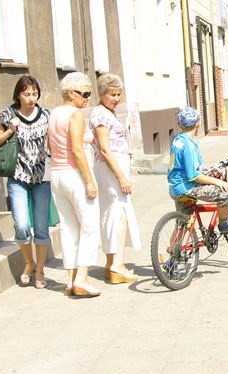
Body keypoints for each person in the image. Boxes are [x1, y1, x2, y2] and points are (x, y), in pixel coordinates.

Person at [0, 75, 52, 289]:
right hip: (18, 178)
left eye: (34, 93)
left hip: (42, 178)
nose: (31, 98)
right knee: (22, 225)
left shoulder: (45, 115)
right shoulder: (8, 114)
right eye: (27, 94)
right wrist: (10, 130)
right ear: (18, 94)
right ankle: (29, 262)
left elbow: (53, 141)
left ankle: (40, 271)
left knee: (42, 228)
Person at [48, 71, 101, 298]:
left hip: (57, 174)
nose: (87, 98)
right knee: (90, 225)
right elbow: (77, 150)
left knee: (68, 228)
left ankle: (70, 280)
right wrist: (89, 181)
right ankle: (82, 278)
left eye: (89, 93)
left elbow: (50, 147)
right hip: (74, 174)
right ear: (70, 93)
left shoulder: (53, 113)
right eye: (84, 93)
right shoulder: (75, 115)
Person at [90, 73, 141, 284]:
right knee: (119, 215)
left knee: (115, 214)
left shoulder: (108, 112)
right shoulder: (100, 115)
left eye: (119, 94)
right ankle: (116, 265)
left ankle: (112, 264)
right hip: (110, 170)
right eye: (112, 94)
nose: (117, 98)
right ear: (102, 93)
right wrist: (121, 177)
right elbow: (104, 148)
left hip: (113, 168)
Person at [167, 107, 228, 234]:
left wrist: (206, 170)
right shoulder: (188, 146)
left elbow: (182, 167)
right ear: (198, 123)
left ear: (179, 124)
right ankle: (224, 224)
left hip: (175, 187)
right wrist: (217, 181)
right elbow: (193, 176)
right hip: (187, 187)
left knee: (184, 222)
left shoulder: (178, 140)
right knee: (225, 192)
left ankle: (173, 250)